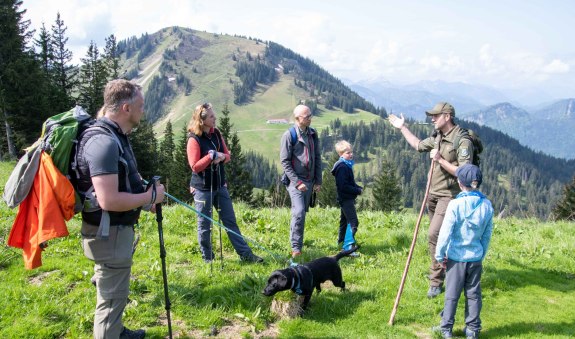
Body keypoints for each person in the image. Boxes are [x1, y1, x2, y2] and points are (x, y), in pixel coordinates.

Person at [77, 79, 165, 339]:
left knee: (114, 292)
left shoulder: (116, 136)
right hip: (109, 234)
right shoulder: (104, 142)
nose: (143, 110)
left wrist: (145, 198)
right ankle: (109, 332)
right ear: (126, 108)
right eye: (141, 105)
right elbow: (109, 200)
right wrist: (150, 196)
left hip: (111, 233)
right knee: (111, 300)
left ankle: (116, 330)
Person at [388, 102, 474, 298]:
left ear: (448, 116)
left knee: (434, 235)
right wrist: (402, 128)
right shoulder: (438, 137)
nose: (432, 119)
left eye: (436, 115)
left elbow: (465, 172)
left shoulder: (462, 140)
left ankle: (436, 282)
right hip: (432, 195)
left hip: (449, 196)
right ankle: (451, 270)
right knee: (442, 237)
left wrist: (440, 160)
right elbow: (418, 145)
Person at [186, 103, 263, 263]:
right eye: (212, 117)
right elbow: (194, 166)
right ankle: (208, 259)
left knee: (230, 222)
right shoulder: (194, 139)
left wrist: (220, 156)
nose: (215, 119)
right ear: (202, 120)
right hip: (202, 188)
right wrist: (210, 157)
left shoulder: (216, 133)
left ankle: (246, 255)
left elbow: (228, 156)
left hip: (220, 185)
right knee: (205, 225)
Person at [433, 164, 494, 339]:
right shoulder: (487, 205)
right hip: (475, 257)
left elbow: (445, 232)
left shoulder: (455, 204)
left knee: (452, 294)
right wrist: (481, 253)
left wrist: (439, 254)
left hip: (455, 257)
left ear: (460, 183)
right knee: (474, 294)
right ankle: (473, 330)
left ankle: (446, 329)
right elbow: (487, 235)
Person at [279, 104, 322, 258]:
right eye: (307, 116)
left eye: (310, 115)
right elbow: (284, 162)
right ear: (297, 118)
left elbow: (317, 156)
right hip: (295, 181)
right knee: (299, 212)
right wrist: (297, 182)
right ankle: (296, 248)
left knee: (302, 212)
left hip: (310, 181)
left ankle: (297, 243)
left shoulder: (312, 133)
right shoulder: (289, 135)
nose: (310, 118)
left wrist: (318, 180)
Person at [331, 140, 362, 255]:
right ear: (341, 154)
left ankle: (341, 242)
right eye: (348, 153)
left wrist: (358, 187)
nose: (351, 154)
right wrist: (357, 190)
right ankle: (348, 248)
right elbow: (343, 186)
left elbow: (349, 182)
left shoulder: (345, 165)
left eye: (351, 152)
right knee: (354, 222)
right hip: (345, 198)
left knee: (344, 222)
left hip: (345, 198)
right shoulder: (342, 167)